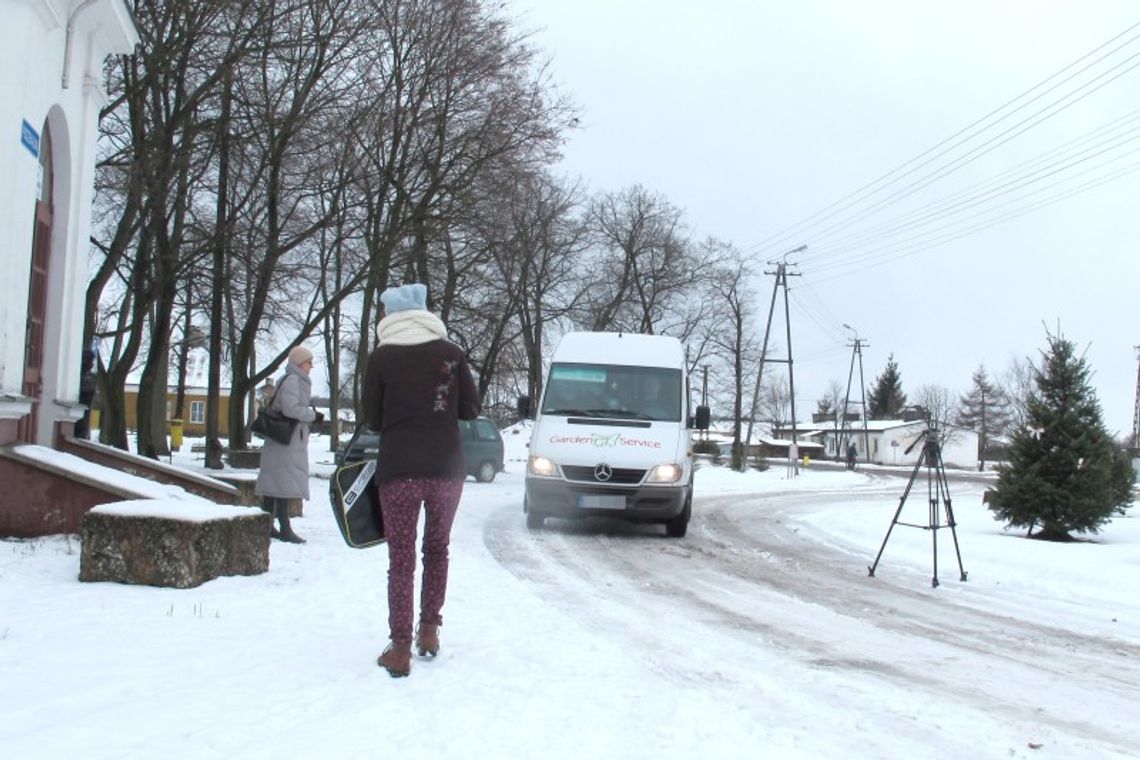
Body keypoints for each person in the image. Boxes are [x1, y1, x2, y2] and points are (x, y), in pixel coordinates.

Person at [361, 282, 480, 678]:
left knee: (401, 558)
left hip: (398, 471)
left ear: (390, 316)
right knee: (437, 549)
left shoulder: (381, 358)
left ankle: (399, 649)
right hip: (446, 469)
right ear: (425, 312)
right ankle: (429, 631)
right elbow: (470, 409)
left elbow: (373, 419)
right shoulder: (451, 354)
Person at [255, 345, 322, 544]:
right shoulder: (293, 380)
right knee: (283, 483)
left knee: (275, 482)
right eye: (309, 362)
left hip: (283, 439)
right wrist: (312, 415)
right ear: (300, 363)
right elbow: (291, 409)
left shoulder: (290, 379)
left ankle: (268, 526)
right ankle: (284, 527)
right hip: (286, 439)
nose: (311, 366)